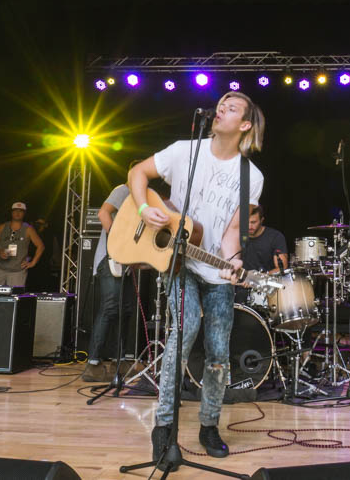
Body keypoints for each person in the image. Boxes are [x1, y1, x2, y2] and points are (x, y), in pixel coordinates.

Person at [129, 91, 264, 464]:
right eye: (221, 104)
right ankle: (164, 427)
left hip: (214, 270)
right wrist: (143, 209)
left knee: (218, 352)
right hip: (178, 263)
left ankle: (209, 424)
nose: (221, 109)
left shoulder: (251, 176)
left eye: (231, 108)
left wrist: (234, 262)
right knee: (184, 330)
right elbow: (137, 173)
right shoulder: (184, 151)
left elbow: (232, 231)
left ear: (245, 125)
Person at [81, 177, 136, 382]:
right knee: (110, 308)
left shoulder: (140, 200)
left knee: (125, 310)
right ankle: (93, 365)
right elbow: (103, 212)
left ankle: (118, 361)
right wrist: (117, 241)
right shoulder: (123, 190)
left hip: (126, 263)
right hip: (110, 259)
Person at [235, 205, 288, 305]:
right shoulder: (235, 237)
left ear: (262, 220)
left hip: (266, 290)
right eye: (246, 222)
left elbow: (282, 267)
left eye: (253, 222)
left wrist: (256, 279)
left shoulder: (275, 237)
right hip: (240, 289)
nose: (249, 226)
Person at [0, 202, 44, 288]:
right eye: (15, 210)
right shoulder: (2, 227)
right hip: (0, 269)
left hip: (18, 272)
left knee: (15, 295)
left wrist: (33, 263)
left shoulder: (28, 229)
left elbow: (41, 246)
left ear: (24, 213)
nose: (17, 213)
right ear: (11, 212)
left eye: (20, 211)